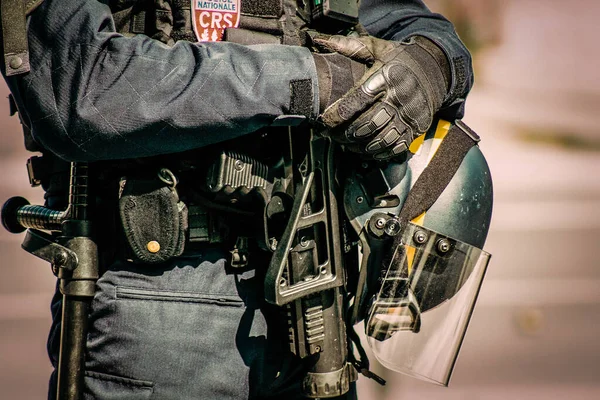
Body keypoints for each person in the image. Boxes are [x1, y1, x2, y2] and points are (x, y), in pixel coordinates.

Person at [1, 0, 474, 399]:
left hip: (319, 295)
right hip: (164, 303)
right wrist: (309, 79)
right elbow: (76, 87)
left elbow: (418, 28)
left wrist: (429, 65)